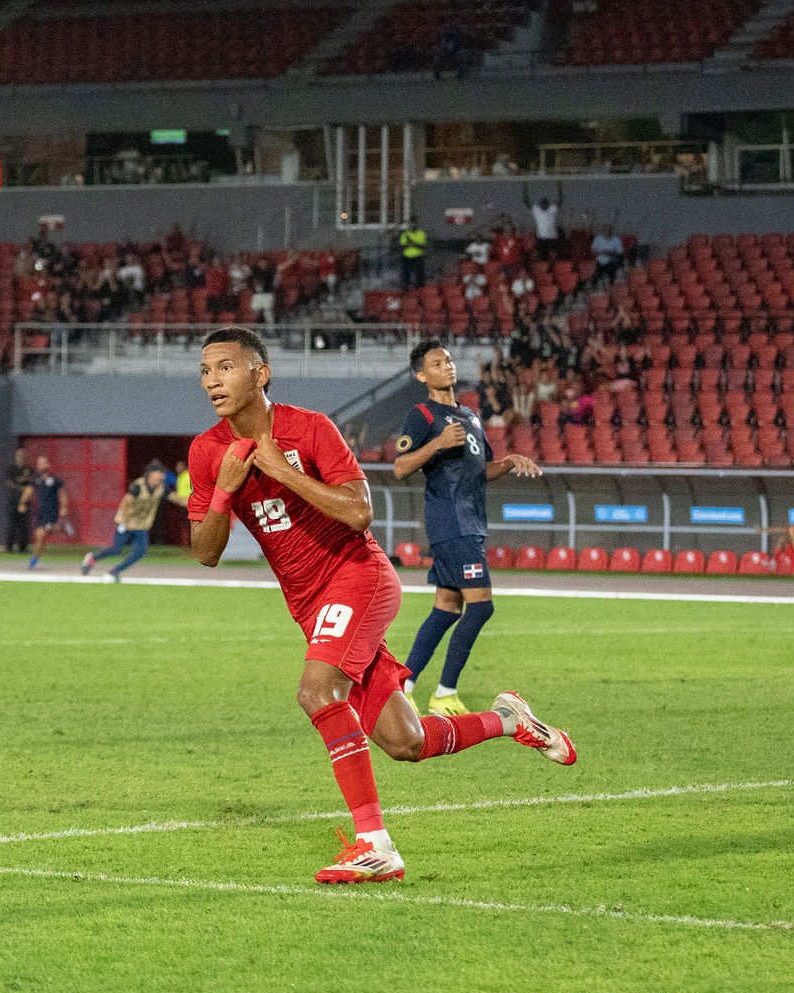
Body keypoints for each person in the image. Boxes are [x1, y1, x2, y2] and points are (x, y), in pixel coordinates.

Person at [187, 327, 575, 885]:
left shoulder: (310, 429)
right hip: (309, 603)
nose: (211, 381)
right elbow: (206, 552)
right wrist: (225, 490)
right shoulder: (207, 451)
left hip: (359, 576)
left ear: (260, 373)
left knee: (317, 691)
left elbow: (359, 512)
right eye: (204, 371)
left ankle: (375, 844)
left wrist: (282, 472)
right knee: (406, 741)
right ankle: (508, 719)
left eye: (224, 367)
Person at [393, 340, 544, 718]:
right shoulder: (422, 416)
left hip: (471, 522)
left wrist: (508, 462)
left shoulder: (471, 416)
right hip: (451, 521)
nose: (447, 366)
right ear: (422, 375)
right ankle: (444, 693)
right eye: (437, 363)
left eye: (448, 360)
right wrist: (437, 445)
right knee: (481, 607)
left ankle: (404, 686)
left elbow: (480, 471)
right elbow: (400, 467)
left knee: (446, 607)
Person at [81, 460, 186, 580]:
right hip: (126, 522)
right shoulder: (138, 485)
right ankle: (92, 558)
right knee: (116, 549)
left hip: (141, 525)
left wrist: (196, 503)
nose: (163, 476)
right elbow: (126, 503)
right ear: (152, 474)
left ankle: (115, 571)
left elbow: (177, 499)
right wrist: (126, 522)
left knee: (140, 552)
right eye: (160, 473)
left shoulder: (162, 488)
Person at [23, 454, 68, 569]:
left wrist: (64, 508)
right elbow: (29, 491)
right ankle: (37, 556)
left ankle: (33, 560)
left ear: (48, 464)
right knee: (40, 537)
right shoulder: (36, 479)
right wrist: (22, 503)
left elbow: (63, 494)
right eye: (39, 463)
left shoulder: (55, 479)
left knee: (41, 535)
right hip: (40, 513)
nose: (40, 465)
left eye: (43, 462)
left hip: (51, 513)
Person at [523, 182, 564, 261]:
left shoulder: (552, 209)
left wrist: (559, 188)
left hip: (552, 238)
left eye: (545, 202)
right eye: (542, 203)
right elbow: (526, 202)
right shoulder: (536, 210)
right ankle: (542, 271)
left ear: (548, 203)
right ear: (540, 204)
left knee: (553, 256)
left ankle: (552, 271)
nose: (544, 204)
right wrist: (525, 188)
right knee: (541, 256)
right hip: (541, 238)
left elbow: (560, 200)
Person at [5, 446, 33, 554]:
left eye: (23, 455)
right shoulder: (11, 469)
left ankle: (23, 547)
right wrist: (20, 486)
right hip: (13, 500)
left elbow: (32, 482)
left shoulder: (28, 470)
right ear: (16, 456)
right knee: (12, 524)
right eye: (19, 455)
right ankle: (9, 547)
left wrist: (26, 480)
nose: (21, 457)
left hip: (25, 502)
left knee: (24, 524)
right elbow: (8, 482)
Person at [399, 216, 426, 291]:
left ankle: (419, 288)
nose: (412, 225)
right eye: (411, 223)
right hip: (406, 256)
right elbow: (403, 246)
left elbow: (421, 246)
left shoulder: (421, 233)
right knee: (405, 274)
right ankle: (406, 288)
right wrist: (414, 244)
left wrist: (411, 242)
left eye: (414, 223)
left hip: (417, 256)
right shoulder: (405, 234)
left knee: (419, 274)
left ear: (416, 224)